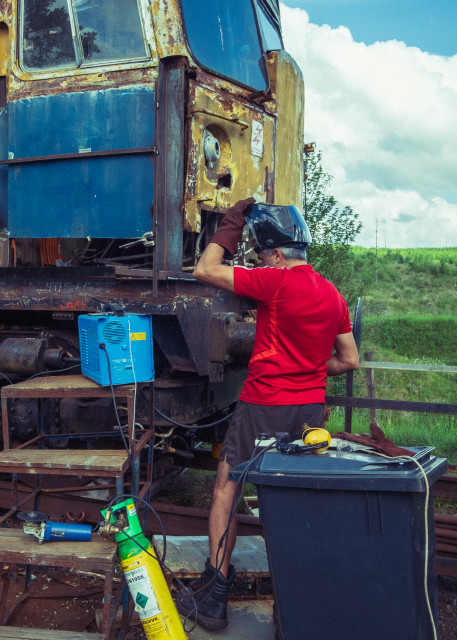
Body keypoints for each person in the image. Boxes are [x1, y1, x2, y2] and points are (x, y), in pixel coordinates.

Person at [177, 198, 360, 630]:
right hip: (310, 410)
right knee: (299, 498)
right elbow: (350, 360)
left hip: (264, 404)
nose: (261, 262)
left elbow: (205, 270)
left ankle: (215, 598)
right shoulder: (333, 294)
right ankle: (296, 605)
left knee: (227, 489)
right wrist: (312, 369)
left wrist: (228, 227)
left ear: (277, 255)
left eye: (262, 255)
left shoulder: (274, 282)